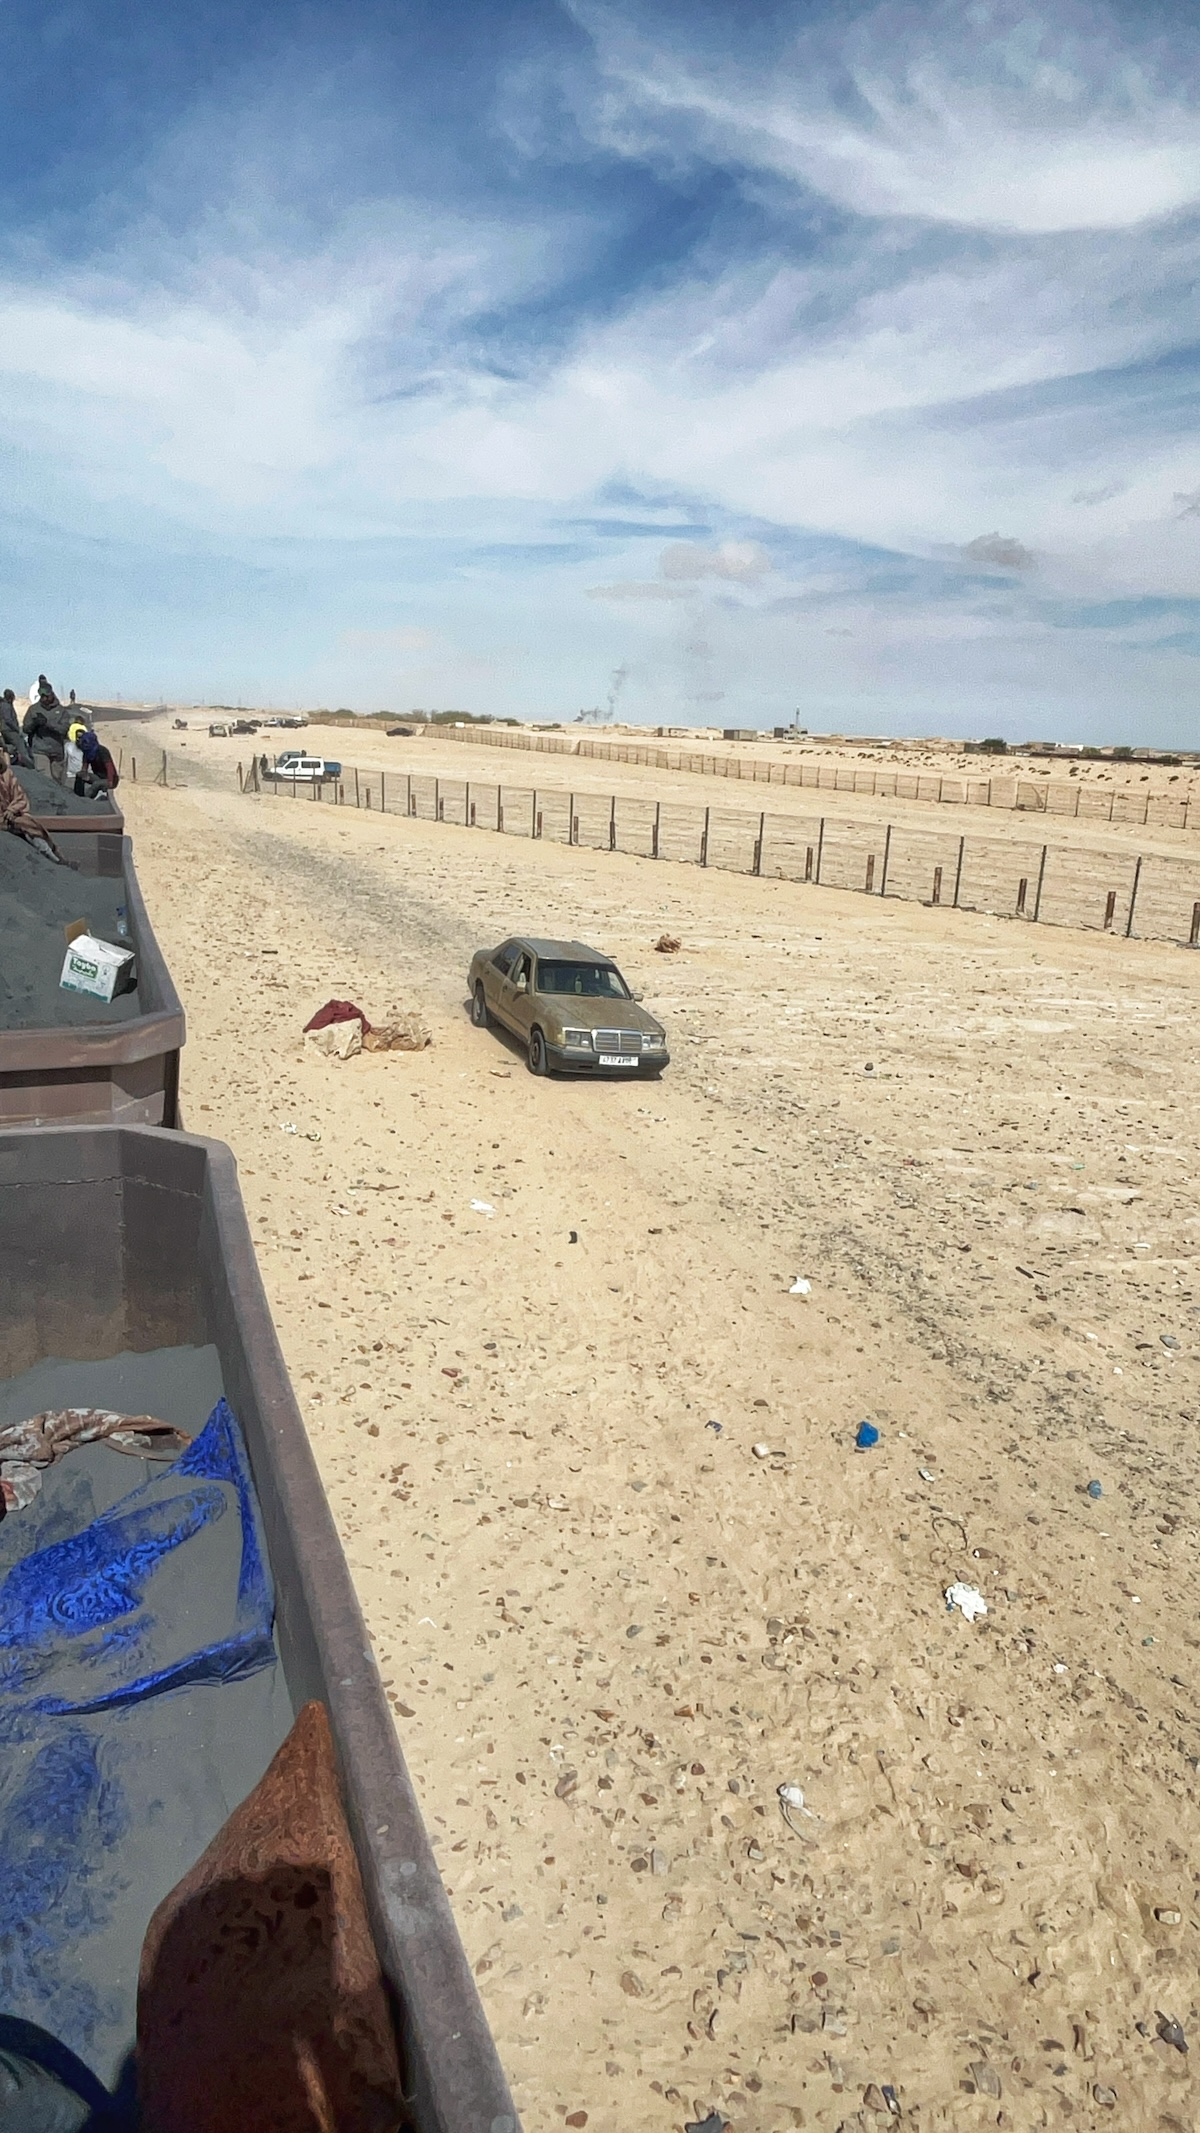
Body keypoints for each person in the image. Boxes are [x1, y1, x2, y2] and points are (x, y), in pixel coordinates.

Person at [73, 727, 120, 799]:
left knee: (96, 784)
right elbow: (84, 766)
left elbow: (109, 768)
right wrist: (84, 774)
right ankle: (77, 796)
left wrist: (110, 782)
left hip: (110, 779)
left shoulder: (102, 751)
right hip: (98, 777)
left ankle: (86, 800)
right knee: (79, 775)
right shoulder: (87, 752)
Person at [0, 688, 32, 766]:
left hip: (5, 730)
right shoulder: (6, 706)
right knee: (21, 745)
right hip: (9, 730)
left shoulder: (4, 705)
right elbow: (8, 720)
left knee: (9, 748)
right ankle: (30, 765)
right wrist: (17, 729)